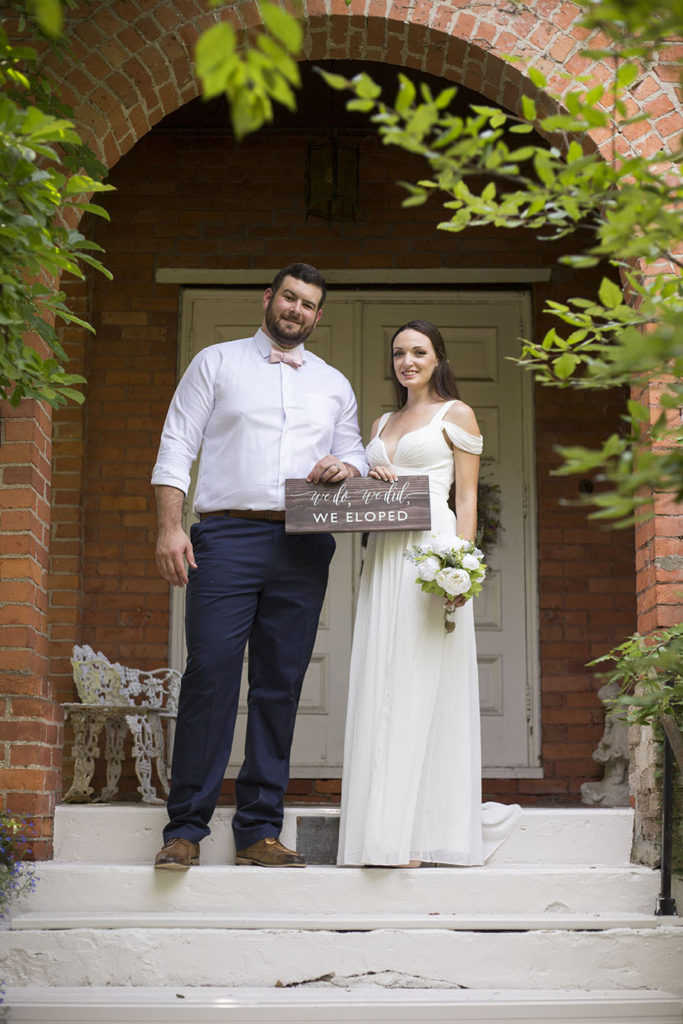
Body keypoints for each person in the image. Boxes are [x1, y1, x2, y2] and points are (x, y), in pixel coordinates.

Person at [151, 263, 367, 870]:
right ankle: (186, 828)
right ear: (268, 299)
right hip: (225, 535)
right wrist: (170, 527)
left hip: (304, 540)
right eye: (289, 298)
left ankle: (258, 833)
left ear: (318, 317)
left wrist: (343, 467)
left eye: (309, 305)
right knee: (210, 676)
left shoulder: (333, 383)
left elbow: (352, 449)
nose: (296, 310)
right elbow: (176, 444)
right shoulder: (215, 362)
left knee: (280, 685)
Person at [337, 319, 520, 867]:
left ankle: (420, 834)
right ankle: (382, 830)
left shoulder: (456, 414)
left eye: (418, 352)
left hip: (430, 555)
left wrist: (460, 567)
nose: (407, 361)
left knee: (422, 684)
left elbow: (467, 500)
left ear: (438, 358)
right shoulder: (383, 420)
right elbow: (366, 492)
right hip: (385, 557)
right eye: (398, 353)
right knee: (384, 681)